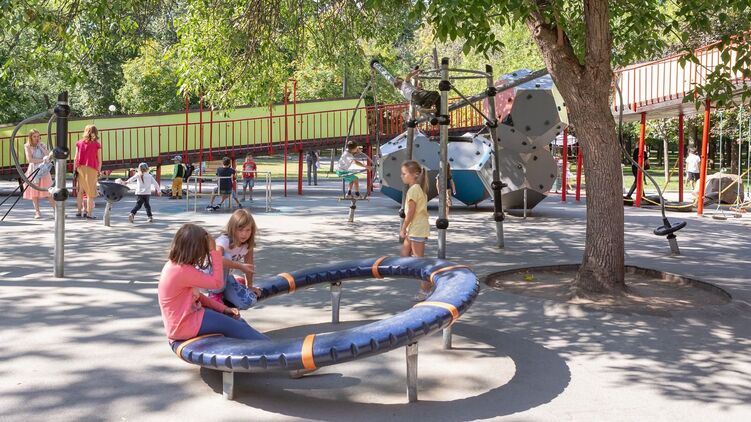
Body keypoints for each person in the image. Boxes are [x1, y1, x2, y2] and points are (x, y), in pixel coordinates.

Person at [158, 223, 269, 341]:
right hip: (185, 325)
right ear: (195, 249)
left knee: (238, 322)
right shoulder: (182, 271)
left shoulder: (175, 266)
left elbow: (197, 296)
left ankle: (266, 345)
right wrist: (214, 251)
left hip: (185, 322)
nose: (203, 254)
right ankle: (273, 348)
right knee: (239, 327)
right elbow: (217, 283)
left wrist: (223, 309)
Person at [204, 209, 261, 310]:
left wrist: (249, 286)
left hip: (223, 278)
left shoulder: (247, 245)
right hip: (208, 277)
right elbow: (215, 259)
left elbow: (249, 266)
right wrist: (240, 266)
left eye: (248, 230)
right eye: (240, 230)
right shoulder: (224, 240)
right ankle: (215, 293)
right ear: (233, 228)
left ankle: (231, 282)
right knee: (226, 256)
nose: (244, 234)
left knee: (249, 301)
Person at [400, 160, 431, 302]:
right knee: (404, 253)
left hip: (417, 229)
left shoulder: (413, 190)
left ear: (414, 175)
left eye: (404, 174)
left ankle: (426, 289)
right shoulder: (417, 189)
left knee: (419, 261)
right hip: (415, 228)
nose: (402, 176)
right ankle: (423, 271)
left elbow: (411, 212)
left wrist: (403, 227)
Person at [23, 129, 55, 219]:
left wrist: (40, 147)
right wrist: (42, 160)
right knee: (34, 192)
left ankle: (56, 211)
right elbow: (30, 160)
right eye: (34, 136)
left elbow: (49, 156)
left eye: (38, 136)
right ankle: (37, 212)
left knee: (49, 190)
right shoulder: (27, 146)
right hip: (33, 170)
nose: (37, 138)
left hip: (44, 170)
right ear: (30, 137)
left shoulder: (42, 145)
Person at [73, 124, 102, 219]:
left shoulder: (79, 143)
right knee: (90, 193)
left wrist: (75, 169)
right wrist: (99, 171)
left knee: (80, 191)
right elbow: (99, 160)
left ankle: (78, 211)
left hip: (80, 167)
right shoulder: (96, 144)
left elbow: (75, 158)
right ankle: (89, 214)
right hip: (92, 168)